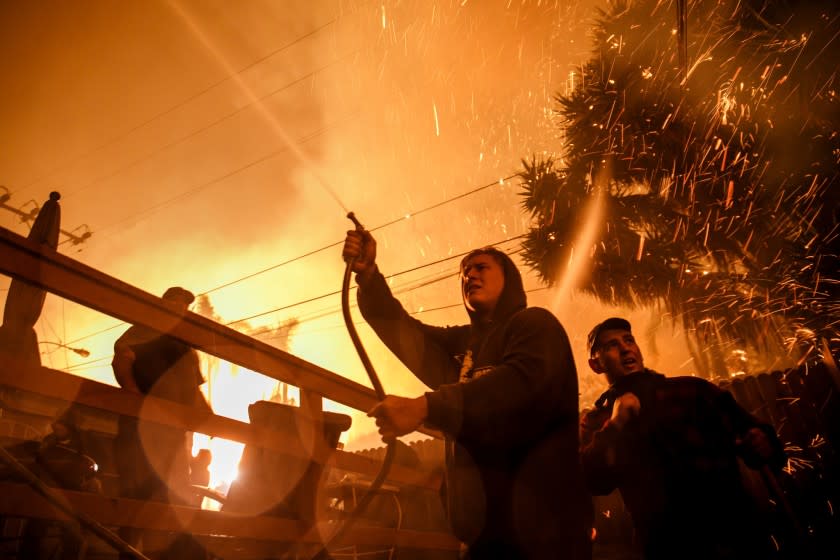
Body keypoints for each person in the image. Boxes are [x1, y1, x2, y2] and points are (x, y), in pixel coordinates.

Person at [343, 230, 591, 560]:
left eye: (481, 267)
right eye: (465, 272)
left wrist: (426, 406)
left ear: (510, 279)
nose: (469, 275)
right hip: (483, 539)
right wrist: (369, 277)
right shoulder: (462, 350)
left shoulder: (535, 325)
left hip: (547, 536)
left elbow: (521, 383)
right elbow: (405, 332)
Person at [579, 317, 786, 560]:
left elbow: (757, 437)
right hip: (668, 547)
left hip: (735, 533)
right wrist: (615, 425)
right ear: (596, 364)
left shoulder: (692, 390)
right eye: (612, 345)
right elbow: (592, 481)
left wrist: (761, 442)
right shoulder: (597, 420)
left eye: (629, 340)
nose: (626, 348)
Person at [111, 286, 211, 558]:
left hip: (174, 435)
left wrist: (209, 419)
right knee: (138, 497)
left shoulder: (187, 347)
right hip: (141, 429)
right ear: (164, 302)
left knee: (176, 497)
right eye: (175, 302)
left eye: (185, 306)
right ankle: (127, 553)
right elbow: (123, 357)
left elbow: (195, 388)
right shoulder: (144, 328)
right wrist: (132, 394)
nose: (180, 309)